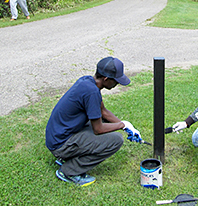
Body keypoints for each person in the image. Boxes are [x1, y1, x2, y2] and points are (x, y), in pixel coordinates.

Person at [45, 57, 143, 186]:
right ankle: (69, 171)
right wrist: (121, 124)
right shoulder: (91, 92)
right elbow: (98, 129)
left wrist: (127, 127)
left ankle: (67, 158)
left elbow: (103, 112)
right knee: (115, 140)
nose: (117, 84)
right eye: (116, 81)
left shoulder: (87, 82)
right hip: (60, 144)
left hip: (58, 135)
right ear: (106, 79)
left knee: (101, 124)